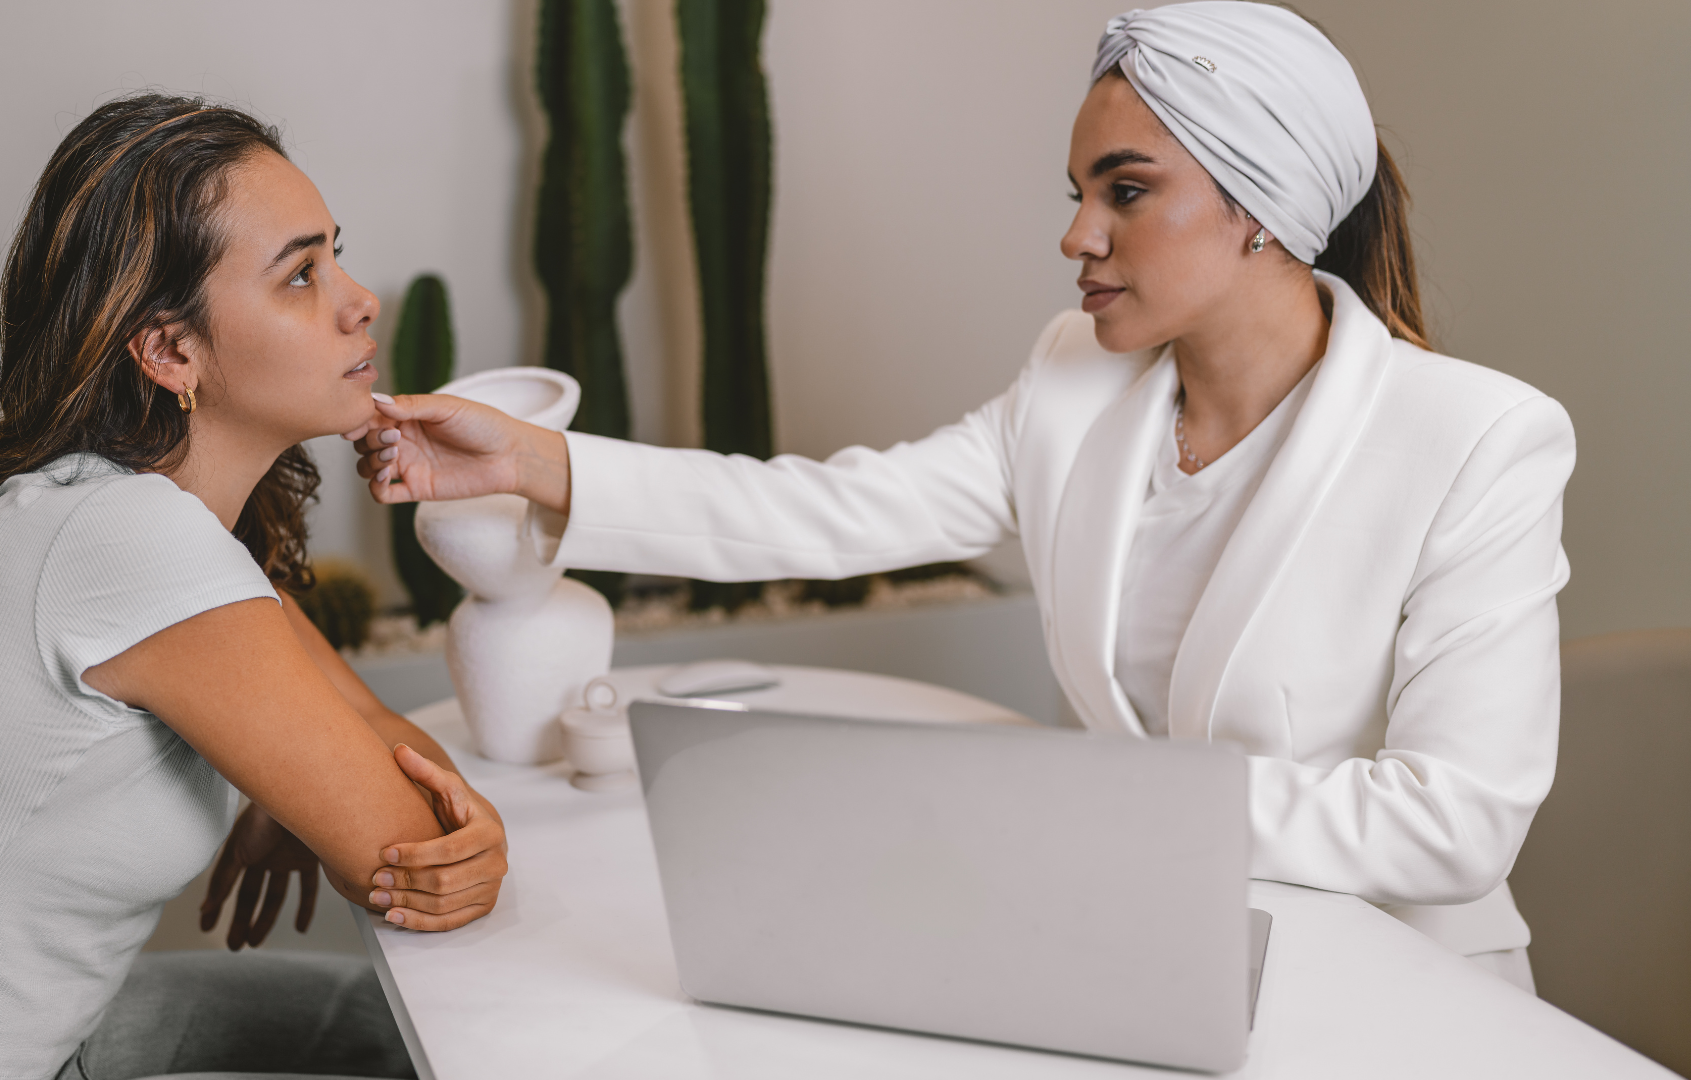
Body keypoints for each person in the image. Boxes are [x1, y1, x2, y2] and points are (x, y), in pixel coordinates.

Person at [348, 2, 1570, 994]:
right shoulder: (1072, 384)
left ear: (1262, 205)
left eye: (1126, 191)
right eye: (1076, 191)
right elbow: (822, 513)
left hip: (1398, 998)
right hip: (1150, 970)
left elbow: (1452, 823)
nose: (1077, 235)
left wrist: (1108, 806)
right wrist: (532, 463)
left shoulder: (1477, 439)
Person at [0, 95, 509, 1080]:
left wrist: (316, 793)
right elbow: (409, 844)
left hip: (26, 1050)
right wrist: (420, 820)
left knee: (385, 1032)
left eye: (334, 255)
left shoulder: (130, 525)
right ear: (169, 352)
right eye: (300, 274)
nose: (358, 298)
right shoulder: (124, 539)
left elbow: (383, 750)